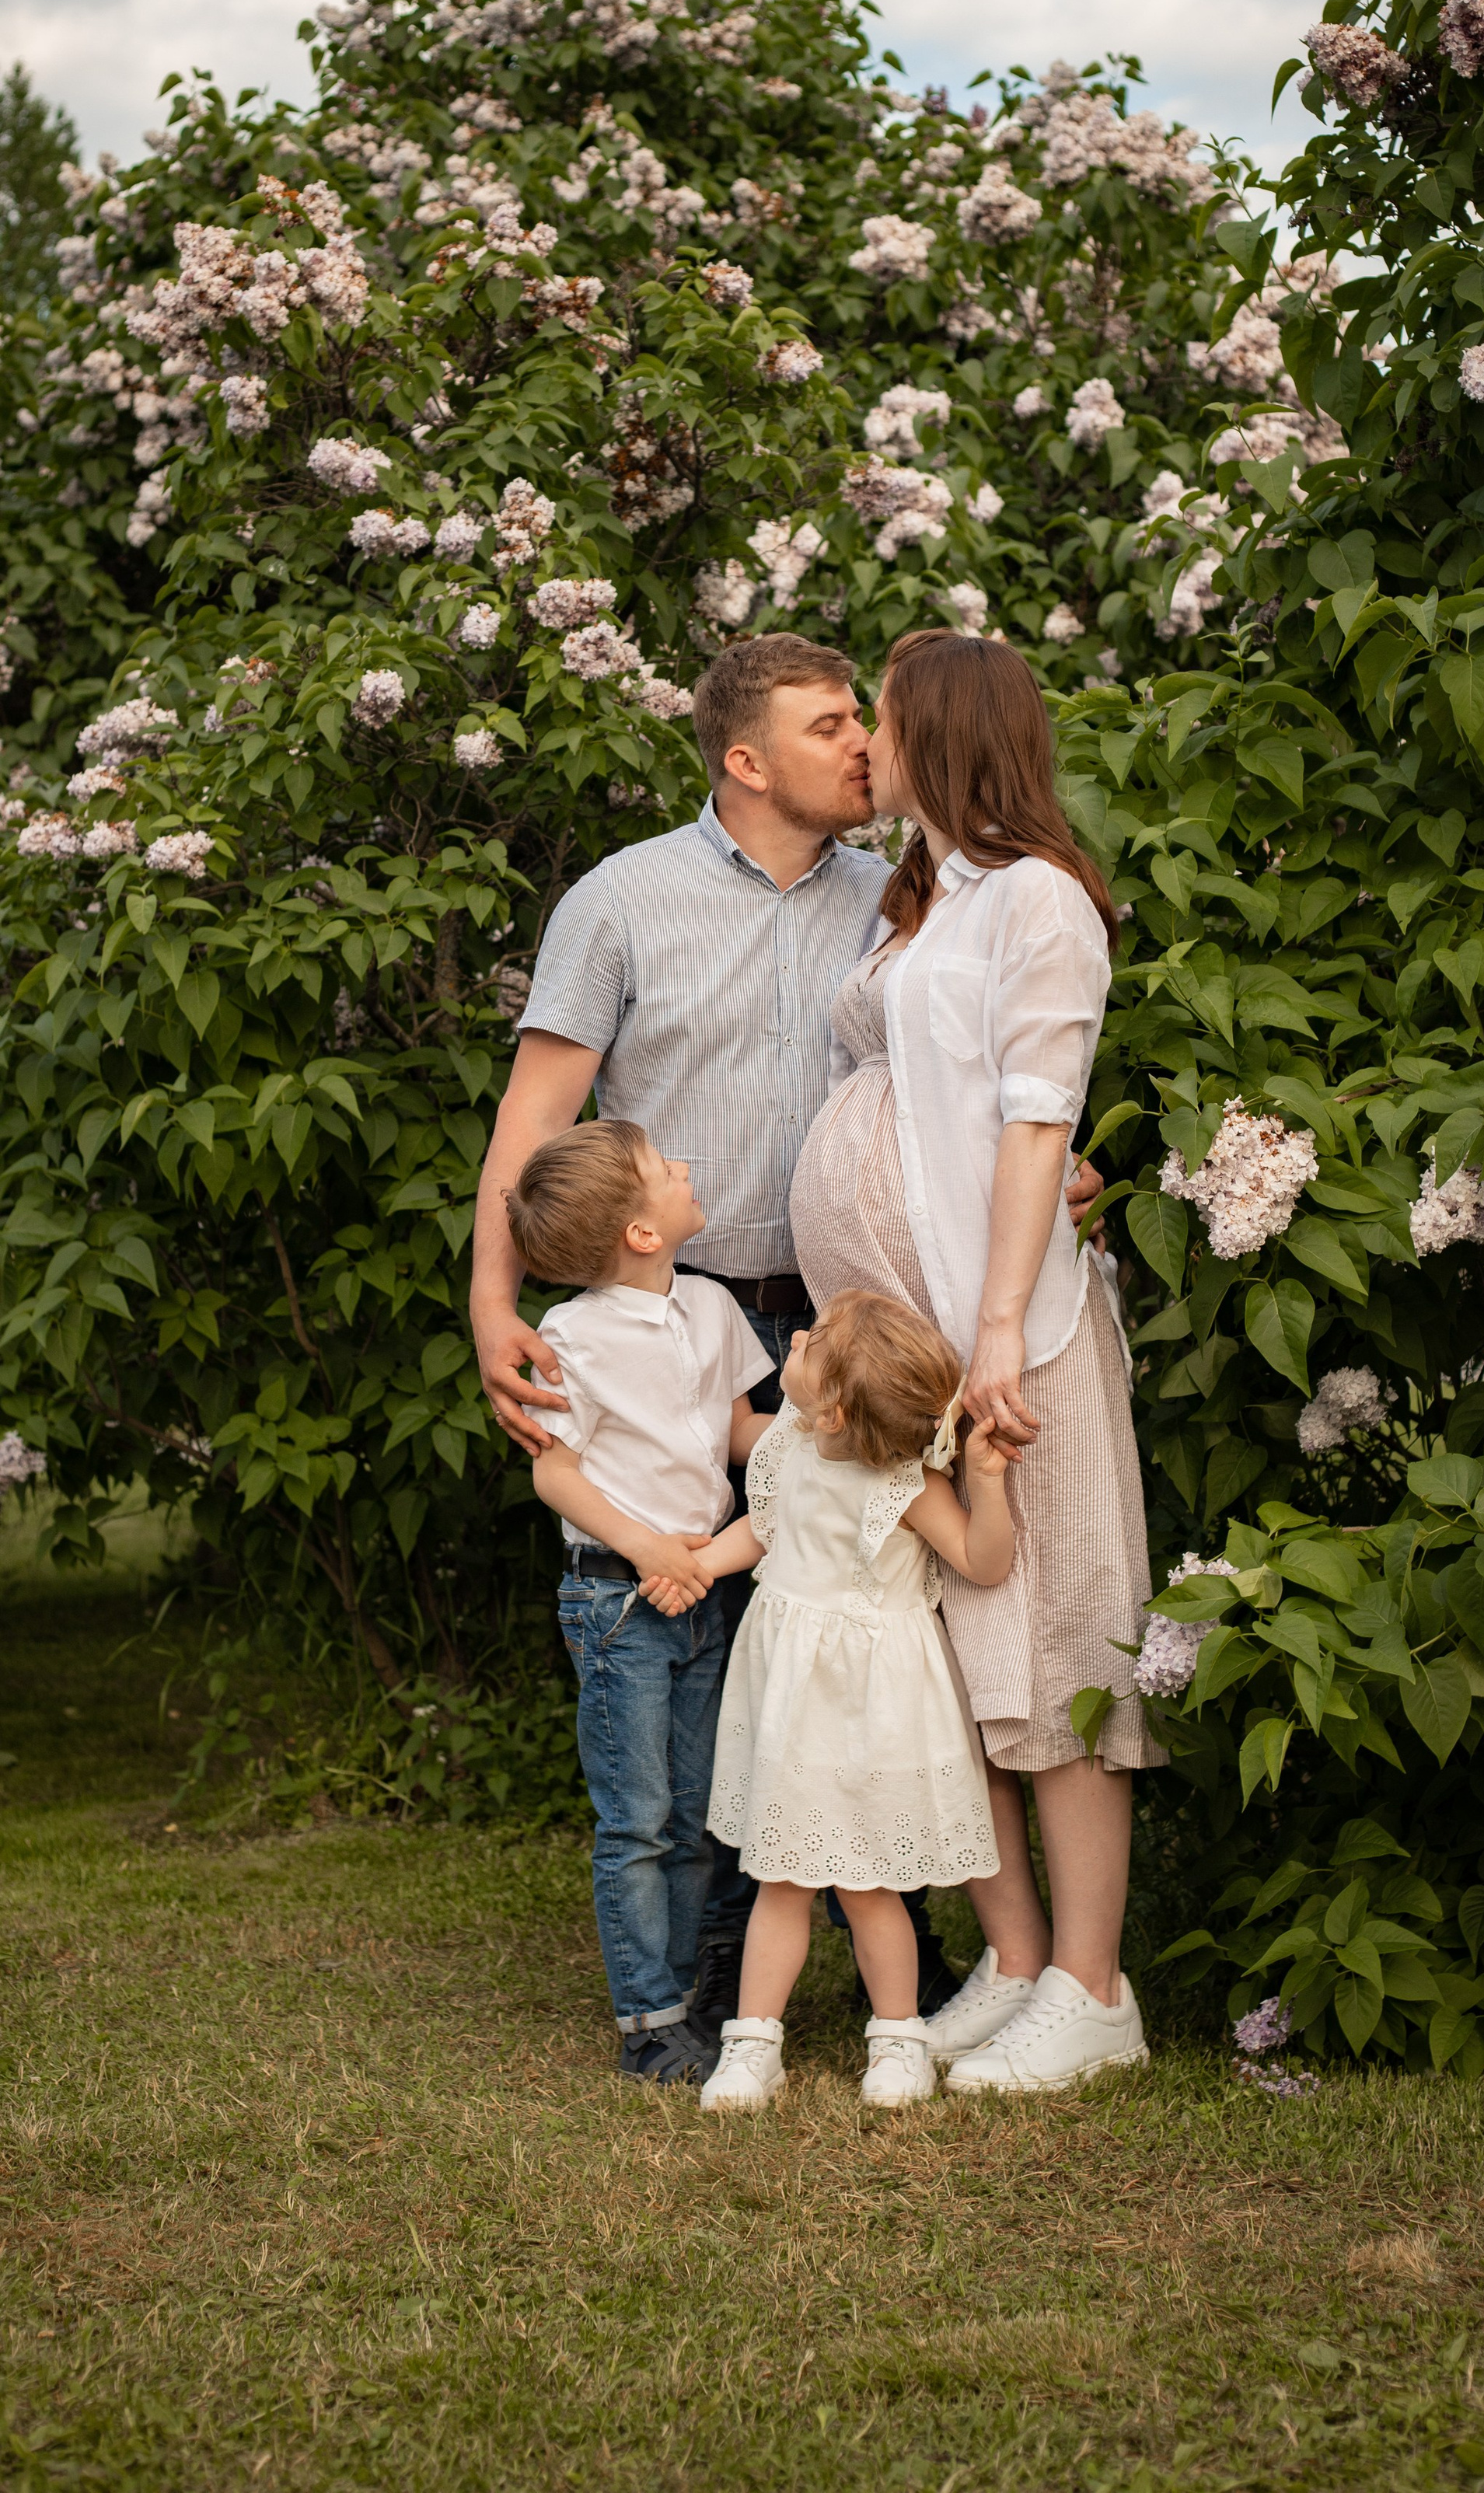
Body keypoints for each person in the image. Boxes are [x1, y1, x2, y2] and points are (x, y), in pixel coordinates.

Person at [473, 634, 1084, 2025]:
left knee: (872, 1627)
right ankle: (704, 1982)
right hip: (674, 1316)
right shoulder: (621, 901)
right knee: (705, 1644)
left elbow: (981, 1072)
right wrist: (493, 1303)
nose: (865, 744)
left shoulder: (902, 894)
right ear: (745, 761)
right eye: (829, 726)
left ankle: (901, 1962)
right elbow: (535, 1117)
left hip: (846, 1314)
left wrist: (1055, 1173)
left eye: (863, 720)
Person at [788, 626, 1161, 2097]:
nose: (865, 747)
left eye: (878, 720)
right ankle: (1015, 1964)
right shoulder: (929, 896)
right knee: (948, 1658)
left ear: (940, 730)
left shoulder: (1038, 901)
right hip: (915, 1337)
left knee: (1053, 1650)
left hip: (1010, 1338)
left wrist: (1001, 1323)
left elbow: (1034, 1116)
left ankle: (1094, 1987)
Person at [693, 1293, 1015, 2114]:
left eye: (811, 1343)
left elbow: (981, 1562)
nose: (796, 1336)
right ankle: (754, 2043)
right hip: (792, 1698)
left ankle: (898, 2037)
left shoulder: (906, 1485)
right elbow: (765, 1530)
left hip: (876, 1705)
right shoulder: (789, 1443)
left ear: (835, 1407)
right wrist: (698, 1563)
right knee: (780, 1876)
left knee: (869, 1884)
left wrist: (985, 1482)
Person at [506, 1117, 777, 2085]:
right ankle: (649, 2026)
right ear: (640, 1232)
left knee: (697, 1812)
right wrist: (650, 1548)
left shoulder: (709, 1306)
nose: (686, 1166)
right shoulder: (571, 1338)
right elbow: (555, 1473)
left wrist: (827, 1447)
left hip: (701, 1591)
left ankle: (689, 1997)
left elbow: (739, 1431)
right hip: (619, 1603)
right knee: (639, 1818)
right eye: (665, 1168)